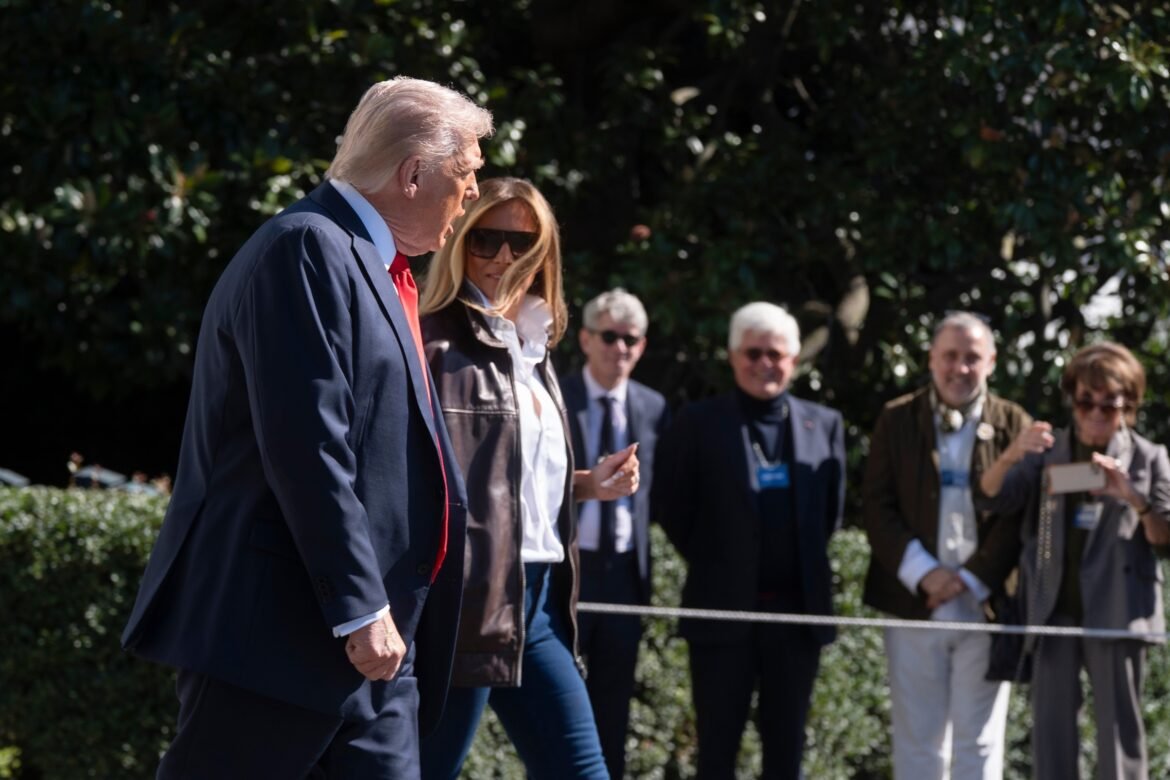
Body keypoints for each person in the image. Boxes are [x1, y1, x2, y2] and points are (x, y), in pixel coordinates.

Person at [120, 77, 492, 778]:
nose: (474, 194)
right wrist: (358, 609)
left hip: (373, 653)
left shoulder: (371, 265)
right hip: (282, 640)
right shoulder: (305, 247)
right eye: (467, 173)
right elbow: (307, 444)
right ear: (414, 173)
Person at [418, 176, 639, 779]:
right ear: (460, 239)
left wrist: (591, 484)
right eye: (485, 238)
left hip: (539, 600)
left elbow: (506, 476)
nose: (502, 257)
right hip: (467, 598)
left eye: (522, 241)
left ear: (545, 251)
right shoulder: (434, 341)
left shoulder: (534, 345)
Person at [653, 301, 845, 780]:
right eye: (753, 352)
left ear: (794, 360)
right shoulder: (698, 423)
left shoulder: (824, 425)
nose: (765, 364)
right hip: (723, 615)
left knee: (787, 753)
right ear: (734, 356)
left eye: (775, 354)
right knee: (717, 751)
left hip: (796, 619)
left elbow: (829, 514)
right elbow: (673, 508)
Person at [978, 342, 1170, 780]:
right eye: (1086, 402)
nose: (1096, 414)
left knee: (1119, 739)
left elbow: (1165, 538)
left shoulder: (1148, 457)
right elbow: (991, 496)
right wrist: (1011, 453)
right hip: (1052, 609)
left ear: (1129, 406)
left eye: (1110, 405)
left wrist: (1133, 498)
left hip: (1120, 612)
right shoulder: (1047, 452)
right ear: (1072, 400)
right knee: (1051, 737)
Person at [861, 311, 1031, 779]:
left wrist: (972, 579)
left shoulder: (1014, 422)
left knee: (978, 744)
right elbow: (876, 504)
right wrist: (925, 574)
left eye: (971, 358)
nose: (960, 368)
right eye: (949, 356)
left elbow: (1020, 514)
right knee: (919, 742)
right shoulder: (897, 419)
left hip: (984, 606)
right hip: (914, 603)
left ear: (991, 362)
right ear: (931, 359)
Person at [562, 288, 669, 779]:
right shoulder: (558, 394)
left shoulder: (653, 406)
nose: (619, 348)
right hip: (570, 569)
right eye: (609, 336)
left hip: (625, 573)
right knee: (561, 702)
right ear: (585, 339)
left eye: (630, 339)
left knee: (614, 707)